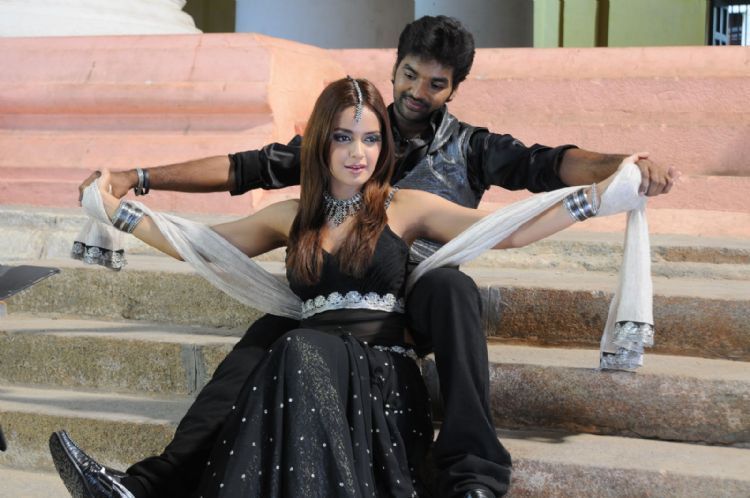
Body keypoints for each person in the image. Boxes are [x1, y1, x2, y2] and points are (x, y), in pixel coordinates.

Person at [58, 16, 676, 498]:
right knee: (268, 340)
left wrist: (610, 183)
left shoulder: (439, 176)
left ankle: (472, 474)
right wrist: (127, 194)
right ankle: (147, 485)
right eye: (410, 75)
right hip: (321, 324)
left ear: (452, 89)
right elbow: (219, 220)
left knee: (447, 289)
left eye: (435, 84)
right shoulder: (301, 201)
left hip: (407, 307)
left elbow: (527, 196)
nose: (360, 151)